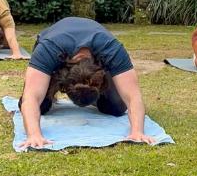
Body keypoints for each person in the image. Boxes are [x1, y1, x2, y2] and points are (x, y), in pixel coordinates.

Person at [17, 17, 155, 149]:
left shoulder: (111, 50)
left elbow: (133, 96)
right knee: (41, 107)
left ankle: (96, 97)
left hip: (98, 57)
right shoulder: (49, 49)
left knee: (116, 108)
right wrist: (34, 135)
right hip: (56, 51)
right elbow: (31, 98)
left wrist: (137, 131)